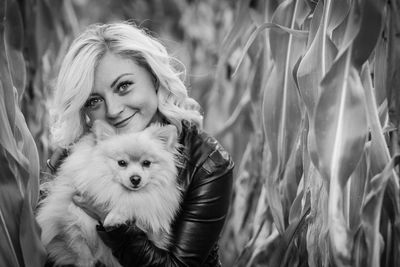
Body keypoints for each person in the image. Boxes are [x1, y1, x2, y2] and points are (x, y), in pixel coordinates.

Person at [46, 22, 234, 267]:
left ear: (154, 77)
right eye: (94, 100)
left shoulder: (207, 164)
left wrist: (112, 223)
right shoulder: (72, 154)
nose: (113, 110)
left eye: (123, 86)